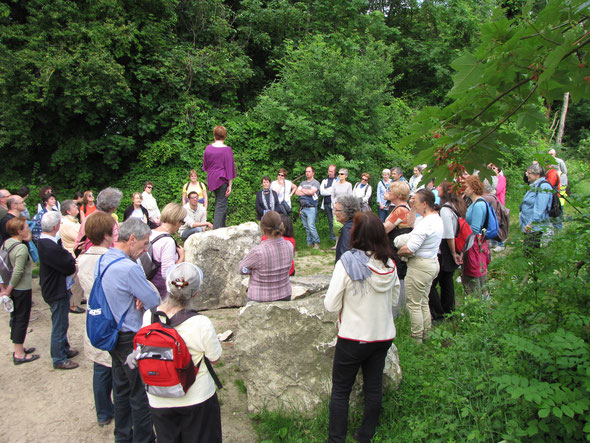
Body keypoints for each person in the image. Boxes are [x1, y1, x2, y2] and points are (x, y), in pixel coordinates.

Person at [324, 211, 399, 443]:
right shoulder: (390, 264)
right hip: (382, 335)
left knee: (340, 391)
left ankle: (337, 439)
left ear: (355, 234)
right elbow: (394, 301)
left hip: (353, 336)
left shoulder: (347, 263)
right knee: (373, 387)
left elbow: (330, 305)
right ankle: (365, 435)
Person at [143, 262, 223, 442]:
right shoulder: (200, 323)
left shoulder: (149, 316)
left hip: (158, 395)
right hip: (196, 395)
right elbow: (215, 358)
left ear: (168, 287)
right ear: (195, 292)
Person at [100, 218, 160, 443]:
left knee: (121, 389)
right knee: (139, 394)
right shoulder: (128, 268)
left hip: (112, 333)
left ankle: (122, 436)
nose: (145, 250)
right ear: (131, 239)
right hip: (129, 336)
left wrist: (136, 292)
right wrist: (140, 291)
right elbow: (153, 298)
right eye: (144, 244)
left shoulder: (105, 258)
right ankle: (144, 439)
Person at [77, 211, 117, 427]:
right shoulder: (108, 259)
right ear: (107, 234)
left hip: (92, 317)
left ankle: (103, 412)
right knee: (114, 367)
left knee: (100, 368)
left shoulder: (82, 259)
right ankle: (118, 410)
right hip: (109, 317)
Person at [398, 189, 443, 344]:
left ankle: (416, 340)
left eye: (415, 201)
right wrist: (411, 208)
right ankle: (427, 333)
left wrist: (397, 251)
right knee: (423, 300)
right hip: (431, 263)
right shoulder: (433, 219)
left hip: (420, 266)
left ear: (424, 204)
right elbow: (411, 223)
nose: (413, 203)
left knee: (414, 304)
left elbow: (410, 248)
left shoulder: (426, 224)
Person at [37, 211, 79, 369]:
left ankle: (64, 349)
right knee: (59, 325)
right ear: (55, 226)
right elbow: (67, 265)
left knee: (62, 322)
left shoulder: (48, 241)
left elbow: (65, 258)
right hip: (55, 289)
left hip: (56, 287)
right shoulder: (49, 246)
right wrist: (69, 259)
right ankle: (59, 358)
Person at [0, 217, 39, 365]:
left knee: (16, 318)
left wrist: (4, 288)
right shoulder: (21, 248)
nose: (28, 229)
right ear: (19, 231)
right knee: (21, 319)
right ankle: (19, 354)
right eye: (26, 228)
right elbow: (18, 271)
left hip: (12, 287)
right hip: (21, 288)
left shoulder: (7, 243)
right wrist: (8, 290)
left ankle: (19, 347)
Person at [428, 181, 465, 322]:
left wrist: (453, 252)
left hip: (446, 250)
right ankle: (449, 311)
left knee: (431, 284)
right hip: (451, 249)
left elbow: (448, 234)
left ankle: (439, 314)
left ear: (446, 191)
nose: (436, 188)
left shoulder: (445, 210)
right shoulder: (457, 206)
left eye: (439, 187)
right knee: (446, 281)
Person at [239, 211, 294, 302]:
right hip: (284, 294)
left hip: (260, 298)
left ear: (263, 230)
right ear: (282, 225)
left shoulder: (258, 252)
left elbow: (241, 269)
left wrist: (251, 271)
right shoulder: (289, 246)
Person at [383, 181, 412, 317]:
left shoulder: (400, 210)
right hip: (398, 249)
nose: (387, 192)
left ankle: (398, 313)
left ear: (398, 194)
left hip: (396, 251)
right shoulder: (405, 207)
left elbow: (385, 229)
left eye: (390, 190)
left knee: (399, 278)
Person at [149, 203, 186, 299]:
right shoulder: (167, 241)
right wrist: (181, 257)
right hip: (160, 291)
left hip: (149, 283)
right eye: (182, 222)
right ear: (177, 221)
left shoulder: (151, 233)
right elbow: (167, 273)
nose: (181, 225)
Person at [462, 176, 491, 298]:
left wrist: (462, 228)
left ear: (473, 188)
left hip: (474, 244)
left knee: (473, 275)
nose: (464, 189)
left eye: (467, 186)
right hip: (475, 244)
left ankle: (477, 303)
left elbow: (475, 229)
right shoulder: (476, 203)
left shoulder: (479, 205)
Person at [203, 126, 236, 229]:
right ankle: (216, 230)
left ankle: (223, 227)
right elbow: (230, 167)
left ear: (214, 135)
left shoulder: (208, 148)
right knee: (220, 206)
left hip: (212, 179)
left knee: (221, 203)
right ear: (225, 135)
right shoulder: (227, 150)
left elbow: (206, 165)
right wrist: (230, 185)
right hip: (222, 179)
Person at [74, 187, 122, 253]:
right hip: (105, 257)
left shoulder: (88, 218)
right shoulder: (111, 222)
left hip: (88, 256)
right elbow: (115, 245)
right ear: (114, 207)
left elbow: (78, 244)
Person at [58, 200, 85, 314]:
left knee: (78, 280)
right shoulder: (68, 224)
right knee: (76, 280)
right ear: (68, 210)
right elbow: (80, 237)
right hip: (73, 254)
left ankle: (78, 298)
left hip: (74, 253)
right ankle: (73, 304)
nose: (77, 208)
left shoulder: (72, 221)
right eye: (74, 207)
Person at [520, 163, 553, 254]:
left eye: (529, 173)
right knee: (527, 251)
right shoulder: (534, 185)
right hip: (529, 227)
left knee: (532, 252)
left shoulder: (543, 187)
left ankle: (531, 267)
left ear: (537, 175)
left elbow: (539, 209)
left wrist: (531, 224)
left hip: (535, 228)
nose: (527, 175)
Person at [296, 166, 321, 249]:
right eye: (306, 171)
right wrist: (306, 191)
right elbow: (297, 192)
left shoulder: (316, 183)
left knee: (311, 226)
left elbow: (311, 192)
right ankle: (309, 243)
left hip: (311, 207)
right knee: (306, 227)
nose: (307, 173)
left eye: (309, 171)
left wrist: (302, 190)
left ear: (313, 173)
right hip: (303, 208)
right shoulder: (303, 182)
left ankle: (316, 242)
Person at [333, 195, 361, 263]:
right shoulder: (358, 222)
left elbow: (346, 255)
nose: (334, 212)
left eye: (337, 210)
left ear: (346, 212)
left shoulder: (348, 228)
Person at [320, 165, 338, 241]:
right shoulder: (324, 180)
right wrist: (329, 190)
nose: (330, 173)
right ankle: (332, 236)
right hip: (326, 203)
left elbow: (335, 190)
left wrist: (326, 189)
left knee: (335, 221)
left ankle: (336, 237)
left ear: (334, 172)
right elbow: (322, 192)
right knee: (330, 221)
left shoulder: (337, 180)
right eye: (329, 171)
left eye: (332, 171)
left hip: (334, 203)